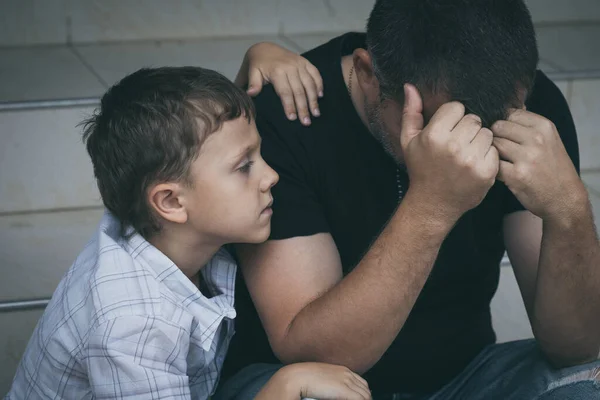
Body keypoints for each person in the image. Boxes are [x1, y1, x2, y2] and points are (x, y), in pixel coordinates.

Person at [217, 0, 600, 399]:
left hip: (464, 378)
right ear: (367, 74)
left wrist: (568, 208)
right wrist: (432, 205)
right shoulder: (287, 114)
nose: (469, 146)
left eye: (492, 125)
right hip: (301, 383)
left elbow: (575, 346)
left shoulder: (531, 112)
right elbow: (314, 355)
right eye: (440, 122)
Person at [6, 64, 372, 400]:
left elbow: (206, 133)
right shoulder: (134, 325)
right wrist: (282, 388)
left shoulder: (163, 226)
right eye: (245, 166)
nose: (270, 176)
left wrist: (257, 58)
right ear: (171, 202)